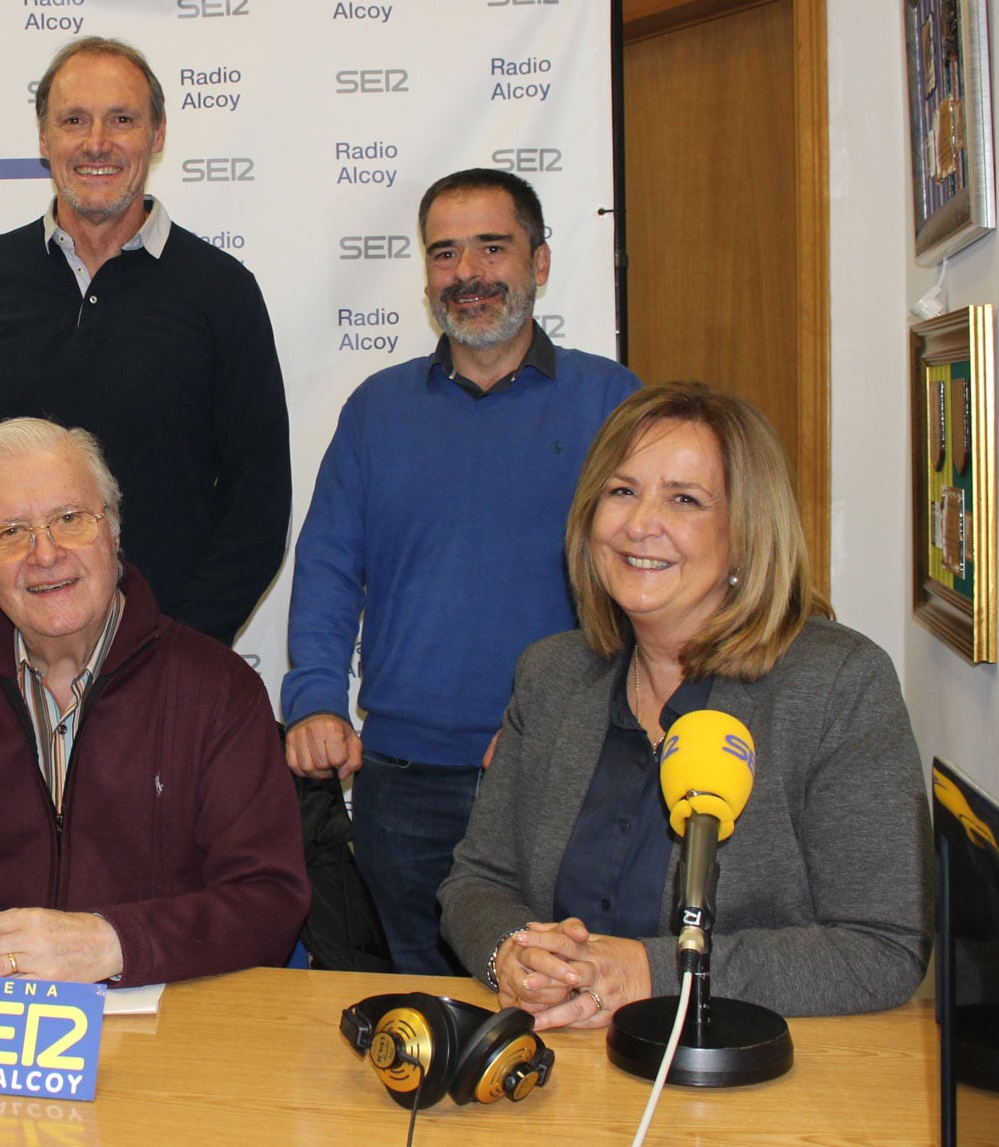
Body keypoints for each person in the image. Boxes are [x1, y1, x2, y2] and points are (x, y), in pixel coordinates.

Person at [439, 383, 931, 1028]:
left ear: (745, 533)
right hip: (562, 1072)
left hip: (748, 1084)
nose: (640, 524)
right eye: (622, 491)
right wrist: (516, 957)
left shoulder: (839, 685)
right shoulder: (551, 674)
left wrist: (652, 972)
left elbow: (882, 949)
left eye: (685, 499)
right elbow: (477, 881)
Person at [282, 168, 639, 973]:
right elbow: (331, 566)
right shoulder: (378, 409)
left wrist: (552, 725)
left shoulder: (614, 404)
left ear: (540, 263)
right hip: (403, 784)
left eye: (492, 247)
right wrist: (312, 700)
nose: (468, 273)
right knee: (426, 1007)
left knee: (566, 996)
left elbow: (649, 585)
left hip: (562, 775)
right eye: (445, 254)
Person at [0, 418, 309, 985]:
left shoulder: (218, 691)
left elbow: (269, 899)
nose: (44, 554)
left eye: (69, 519)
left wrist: (110, 944)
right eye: (10, 532)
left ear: (114, 533)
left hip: (177, 1015)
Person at [0, 36, 289, 647]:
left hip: (165, 672)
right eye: (74, 120)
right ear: (44, 138)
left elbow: (257, 502)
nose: (97, 143)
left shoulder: (222, 291)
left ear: (157, 135)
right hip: (2, 667)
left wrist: (174, 653)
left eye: (122, 120)